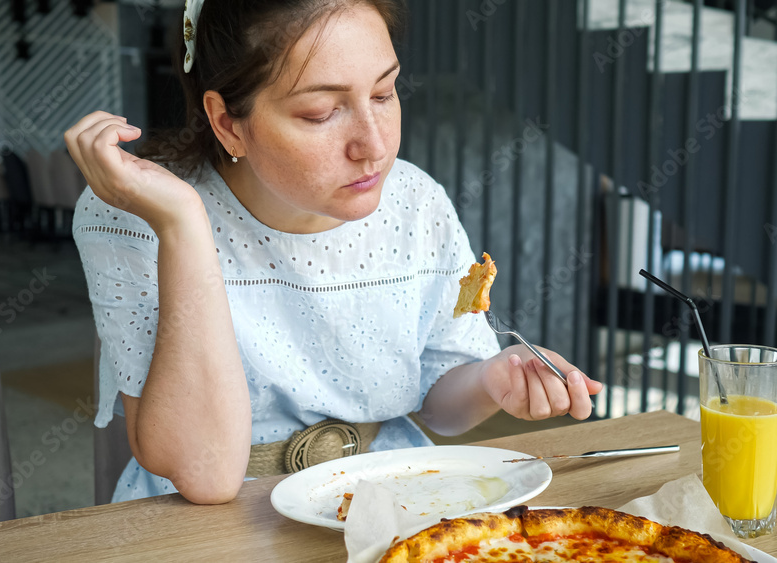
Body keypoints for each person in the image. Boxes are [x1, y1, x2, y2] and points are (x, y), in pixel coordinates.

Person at [65, 0, 602, 505]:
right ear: (227, 122)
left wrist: (491, 381)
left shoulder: (417, 202)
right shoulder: (136, 213)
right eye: (321, 113)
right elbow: (205, 476)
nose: (374, 145)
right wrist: (183, 225)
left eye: (384, 94)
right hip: (206, 523)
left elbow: (441, 411)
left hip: (390, 495)